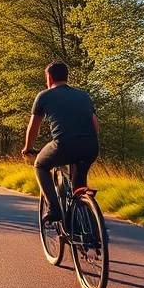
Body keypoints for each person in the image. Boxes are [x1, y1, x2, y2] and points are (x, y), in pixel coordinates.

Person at [21, 61, 99, 224]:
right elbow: (95, 125)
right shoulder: (83, 95)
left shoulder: (44, 96)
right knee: (79, 186)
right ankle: (85, 225)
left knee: (40, 166)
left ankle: (54, 208)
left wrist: (27, 148)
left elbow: (33, 128)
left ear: (49, 78)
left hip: (63, 145)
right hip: (90, 146)